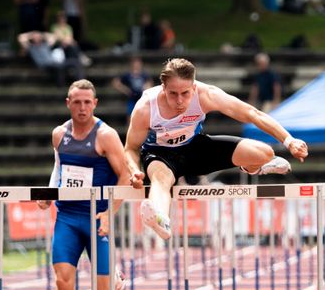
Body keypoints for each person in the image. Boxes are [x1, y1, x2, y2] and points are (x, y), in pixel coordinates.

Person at [125, 58, 308, 240]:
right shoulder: (146, 107)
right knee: (161, 179)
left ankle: (253, 167)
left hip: (195, 148)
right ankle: (161, 218)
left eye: (185, 93)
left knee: (265, 152)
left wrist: (289, 140)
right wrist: (134, 171)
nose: (179, 100)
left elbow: (252, 113)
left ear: (194, 88)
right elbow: (131, 148)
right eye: (173, 93)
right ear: (163, 88)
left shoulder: (207, 95)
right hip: (160, 154)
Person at [37, 79, 130, 290]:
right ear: (68, 103)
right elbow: (58, 168)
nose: (82, 107)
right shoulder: (59, 134)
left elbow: (124, 177)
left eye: (87, 102)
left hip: (96, 216)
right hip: (67, 217)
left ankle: (113, 273)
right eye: (77, 102)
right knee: (63, 281)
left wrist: (108, 214)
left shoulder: (106, 136)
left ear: (95, 104)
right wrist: (49, 194)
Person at [17, 30, 84, 86]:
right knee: (59, 67)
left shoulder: (45, 45)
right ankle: (61, 85)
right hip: (45, 65)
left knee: (75, 62)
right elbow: (20, 38)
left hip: (54, 62)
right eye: (35, 37)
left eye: (38, 37)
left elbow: (53, 36)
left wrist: (41, 35)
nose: (37, 38)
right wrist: (31, 34)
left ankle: (80, 83)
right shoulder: (31, 47)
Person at [111, 56, 153, 120]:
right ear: (131, 64)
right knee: (130, 116)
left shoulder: (144, 75)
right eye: (135, 63)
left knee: (145, 115)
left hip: (142, 98)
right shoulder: (127, 75)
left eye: (138, 63)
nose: (136, 65)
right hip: (132, 98)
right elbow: (116, 82)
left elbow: (150, 83)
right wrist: (125, 90)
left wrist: (146, 88)